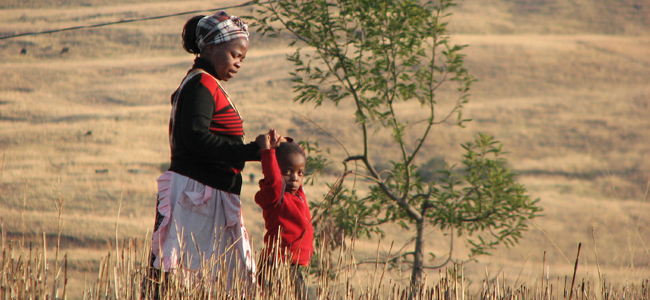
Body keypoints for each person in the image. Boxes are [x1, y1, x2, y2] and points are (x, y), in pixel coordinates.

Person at [144, 10, 264, 296]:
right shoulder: (201, 85)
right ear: (210, 47)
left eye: (242, 59)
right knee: (183, 276)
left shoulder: (205, 83)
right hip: (194, 197)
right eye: (235, 54)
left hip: (201, 195)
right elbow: (195, 138)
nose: (238, 63)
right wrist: (251, 151)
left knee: (200, 280)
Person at [254, 129, 314, 299]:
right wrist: (267, 151)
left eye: (300, 173)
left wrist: (285, 140)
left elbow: (298, 155)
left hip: (290, 267)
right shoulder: (276, 196)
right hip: (277, 266)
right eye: (287, 172)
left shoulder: (297, 194)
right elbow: (273, 179)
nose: (295, 178)